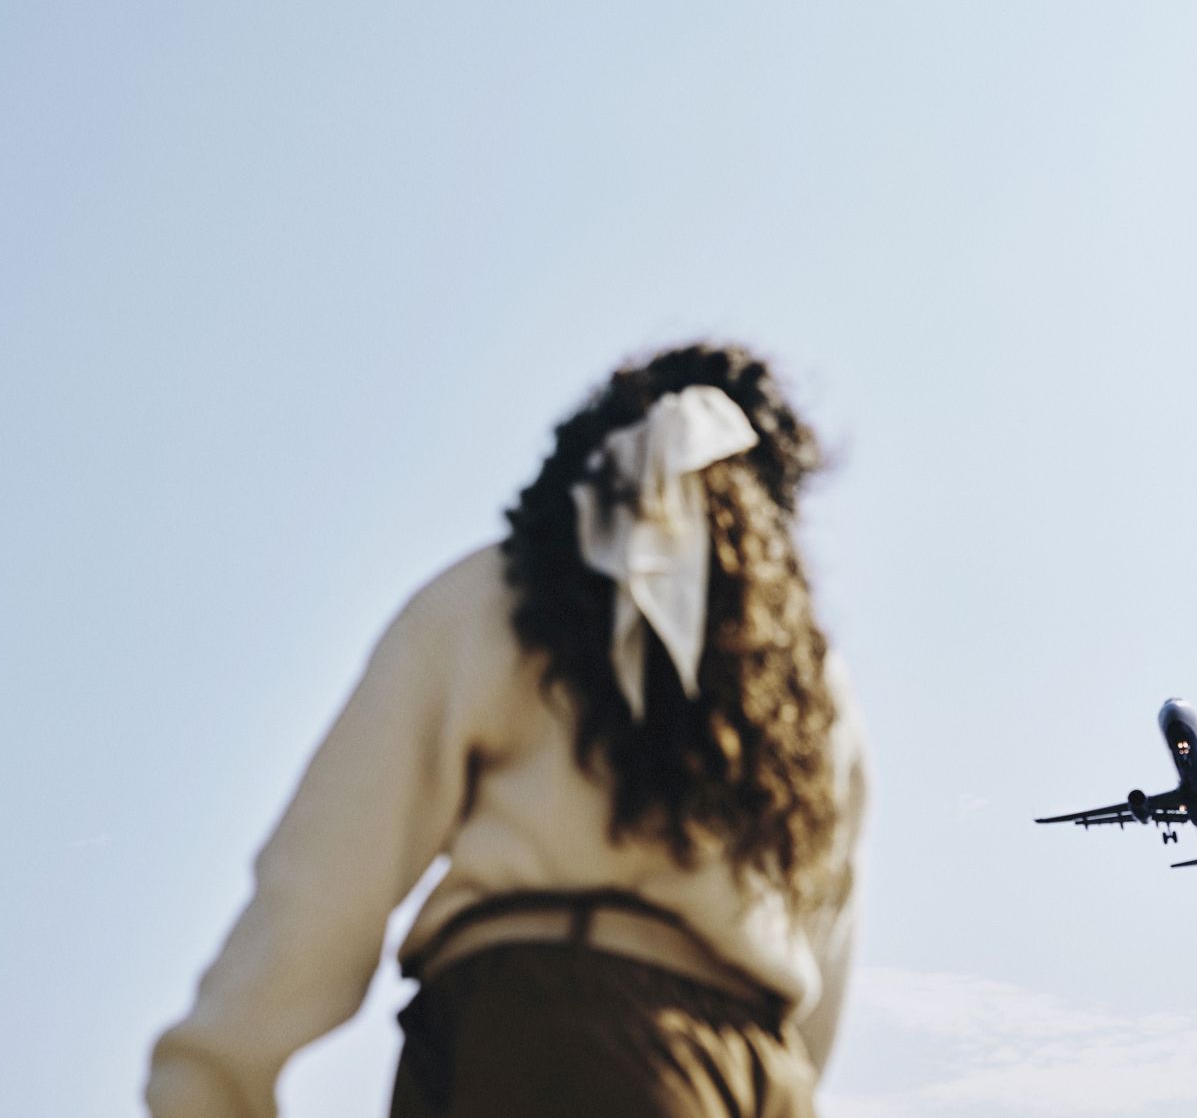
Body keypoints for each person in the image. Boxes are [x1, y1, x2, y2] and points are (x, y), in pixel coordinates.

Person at [145, 343, 868, 1118]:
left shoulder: (494, 598)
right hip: (753, 1078)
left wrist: (212, 1078)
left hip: (539, 1043)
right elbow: (820, 978)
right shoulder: (810, 692)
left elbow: (326, 876)